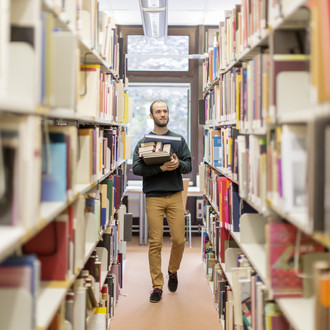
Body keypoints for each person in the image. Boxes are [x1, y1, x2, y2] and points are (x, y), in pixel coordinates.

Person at [132, 100, 192, 303]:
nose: (162, 114)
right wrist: (160, 168)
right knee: (155, 242)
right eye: (158, 111)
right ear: (151, 116)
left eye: (165, 111)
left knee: (179, 240)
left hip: (175, 195)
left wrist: (177, 164)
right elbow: (137, 169)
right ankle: (157, 286)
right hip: (153, 197)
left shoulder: (178, 139)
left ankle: (172, 271)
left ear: (168, 114)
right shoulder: (143, 142)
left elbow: (188, 165)